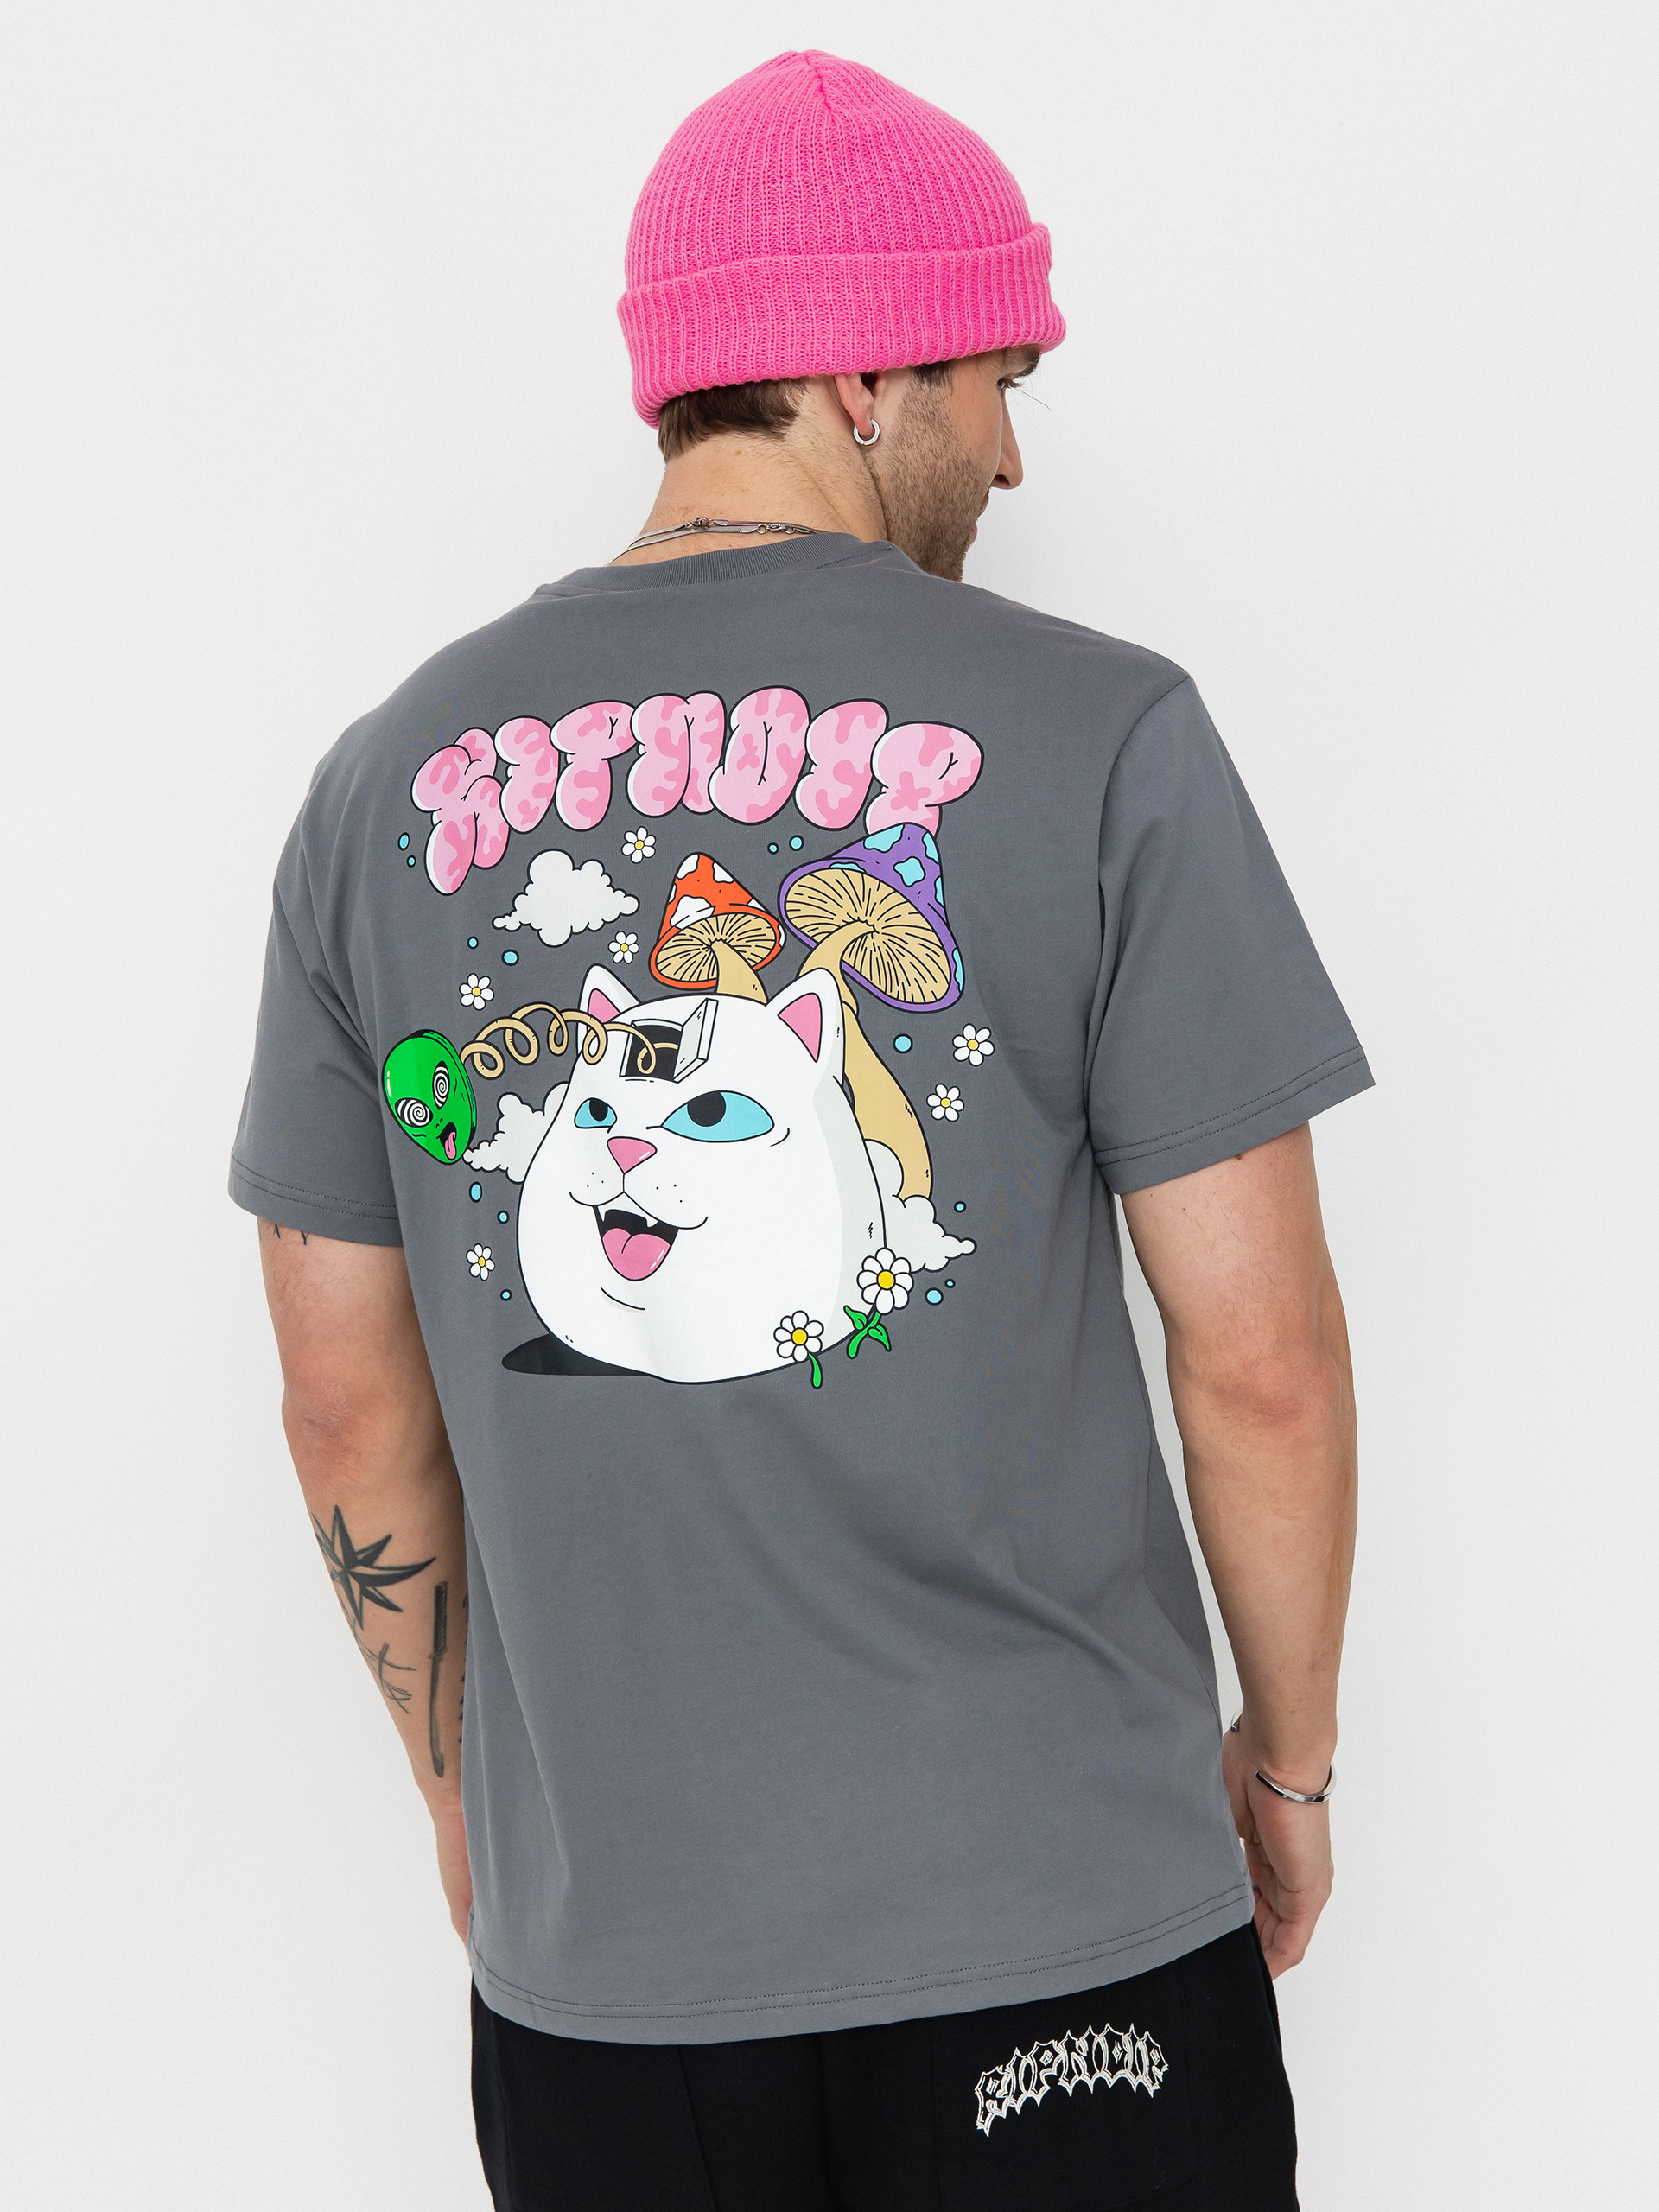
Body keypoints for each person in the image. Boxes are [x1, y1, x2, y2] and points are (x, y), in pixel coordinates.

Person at [233, 49, 1367, 2210]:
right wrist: (1290, 1766)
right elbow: (1263, 1362)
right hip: (1070, 1935)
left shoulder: (378, 785)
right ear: (862, 373)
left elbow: (338, 1398)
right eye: (997, 375)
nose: (1014, 450)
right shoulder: (1109, 734)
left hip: (612, 1989)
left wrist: (465, 1791)